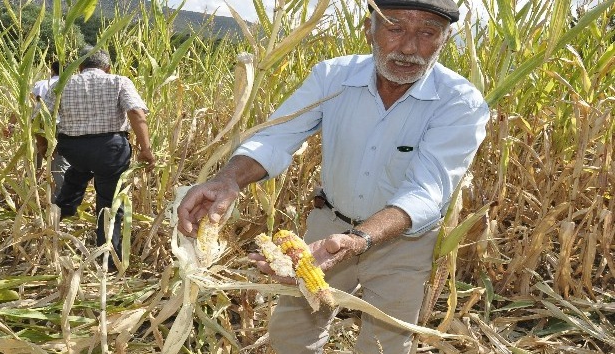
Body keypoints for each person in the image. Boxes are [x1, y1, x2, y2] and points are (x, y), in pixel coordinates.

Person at [177, 0, 490, 353]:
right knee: (292, 335)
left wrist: (359, 239)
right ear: (369, 30)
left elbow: (426, 192)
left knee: (383, 344)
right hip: (328, 227)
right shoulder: (332, 77)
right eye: (395, 28)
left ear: (445, 39)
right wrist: (228, 179)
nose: (407, 48)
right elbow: (277, 136)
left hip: (405, 244)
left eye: (426, 33)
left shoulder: (460, 102)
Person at [43, 46, 156, 270]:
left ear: (80, 66)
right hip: (109, 150)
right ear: (107, 67)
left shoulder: (60, 83)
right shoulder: (119, 81)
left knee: (77, 173)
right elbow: (135, 111)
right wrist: (146, 149)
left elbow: (43, 117)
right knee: (109, 202)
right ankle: (108, 259)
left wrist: (44, 146)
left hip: (73, 149)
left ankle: (57, 218)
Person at [4, 61, 70, 200]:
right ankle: (58, 187)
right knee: (58, 155)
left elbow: (23, 105)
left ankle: (36, 179)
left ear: (52, 70)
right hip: (64, 125)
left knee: (42, 149)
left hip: (39, 123)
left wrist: (10, 125)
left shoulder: (40, 84)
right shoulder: (71, 84)